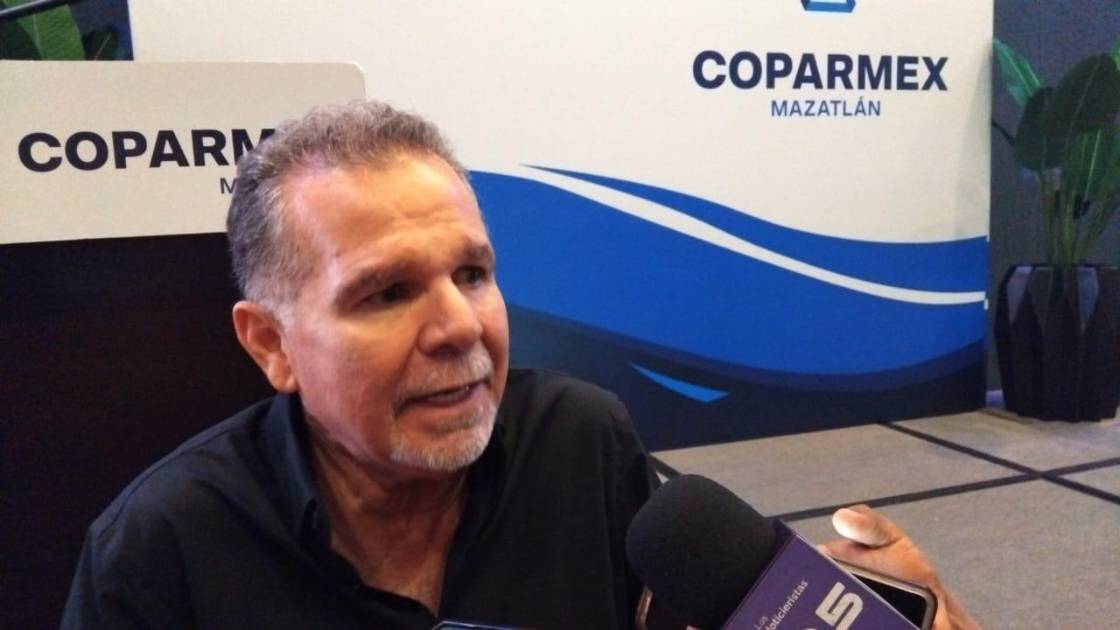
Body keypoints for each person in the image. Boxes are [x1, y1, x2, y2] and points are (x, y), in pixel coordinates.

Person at [61, 100, 978, 630]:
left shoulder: (579, 439)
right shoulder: (158, 553)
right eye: (386, 293)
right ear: (271, 344)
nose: (460, 326)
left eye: (473, 274)